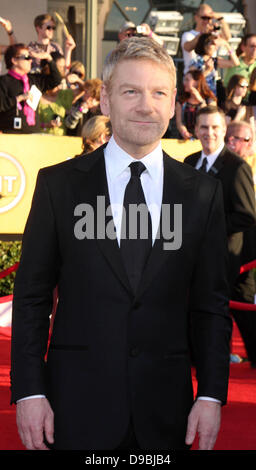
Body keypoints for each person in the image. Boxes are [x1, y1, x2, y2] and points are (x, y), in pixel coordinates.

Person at [11, 36, 232, 451]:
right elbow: (32, 297)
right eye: (131, 91)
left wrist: (210, 392)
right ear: (107, 103)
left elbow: (210, 304)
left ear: (172, 106)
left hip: (169, 411)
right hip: (74, 406)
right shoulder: (59, 186)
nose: (146, 105)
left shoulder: (203, 194)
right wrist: (28, 391)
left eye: (158, 93)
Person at [184, 106, 256, 298]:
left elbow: (247, 216)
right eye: (204, 127)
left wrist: (210, 227)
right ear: (196, 130)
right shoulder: (189, 162)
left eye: (215, 127)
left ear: (224, 130)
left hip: (226, 263)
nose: (210, 133)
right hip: (193, 259)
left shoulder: (238, 167)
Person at [225, 121, 256, 367]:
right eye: (230, 137)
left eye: (239, 139)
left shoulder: (244, 169)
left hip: (248, 253)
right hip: (228, 250)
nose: (233, 143)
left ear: (250, 143)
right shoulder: (224, 168)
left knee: (245, 305)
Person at [0, 43, 61, 133]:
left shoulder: (33, 79)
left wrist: (49, 58)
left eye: (31, 58)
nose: (30, 61)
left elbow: (55, 80)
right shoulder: (4, 81)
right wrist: (19, 98)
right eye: (27, 57)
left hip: (33, 135)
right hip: (10, 134)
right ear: (14, 60)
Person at [181, 3, 231, 74]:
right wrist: (202, 34)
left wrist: (220, 18)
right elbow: (187, 47)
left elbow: (227, 38)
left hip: (211, 79)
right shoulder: (188, 35)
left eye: (209, 18)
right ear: (196, 17)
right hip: (193, 78)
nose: (206, 21)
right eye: (204, 18)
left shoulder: (212, 35)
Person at [176, 69, 216, 140]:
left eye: (187, 80)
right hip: (185, 139)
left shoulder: (210, 99)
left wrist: (201, 101)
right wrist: (184, 132)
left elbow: (211, 116)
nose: (184, 82)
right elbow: (179, 122)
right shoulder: (181, 101)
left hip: (205, 138)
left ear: (197, 82)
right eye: (184, 79)